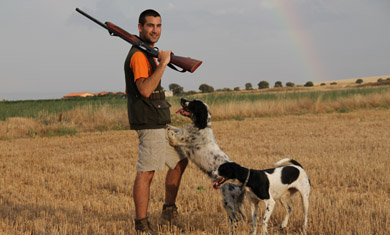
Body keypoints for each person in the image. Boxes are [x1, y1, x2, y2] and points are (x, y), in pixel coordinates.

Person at [123, 9, 188, 234]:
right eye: (150, 25)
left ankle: (168, 210)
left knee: (180, 160)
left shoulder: (148, 53)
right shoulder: (139, 56)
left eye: (158, 26)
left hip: (160, 122)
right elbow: (145, 89)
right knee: (146, 172)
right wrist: (164, 63)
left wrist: (161, 60)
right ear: (140, 27)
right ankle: (141, 223)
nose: (155, 30)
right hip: (149, 123)